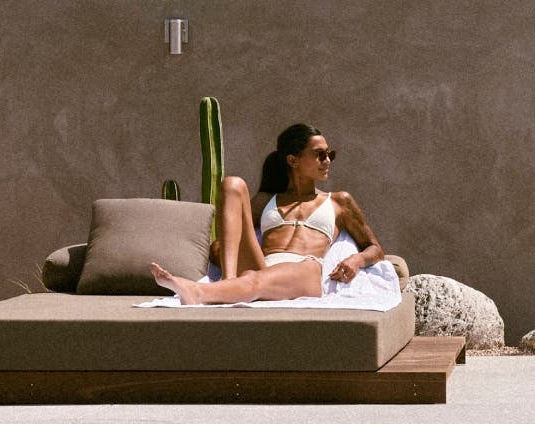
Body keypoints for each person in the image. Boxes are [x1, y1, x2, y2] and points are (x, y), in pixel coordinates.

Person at [151, 121, 390, 305]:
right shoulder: (268, 200)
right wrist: (221, 250)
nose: (327, 161)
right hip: (265, 264)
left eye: (330, 154)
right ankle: (229, 282)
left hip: (305, 270)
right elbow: (227, 240)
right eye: (320, 154)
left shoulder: (339, 201)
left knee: (255, 280)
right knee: (232, 185)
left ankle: (198, 292)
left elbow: (375, 249)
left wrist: (356, 260)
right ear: (293, 160)